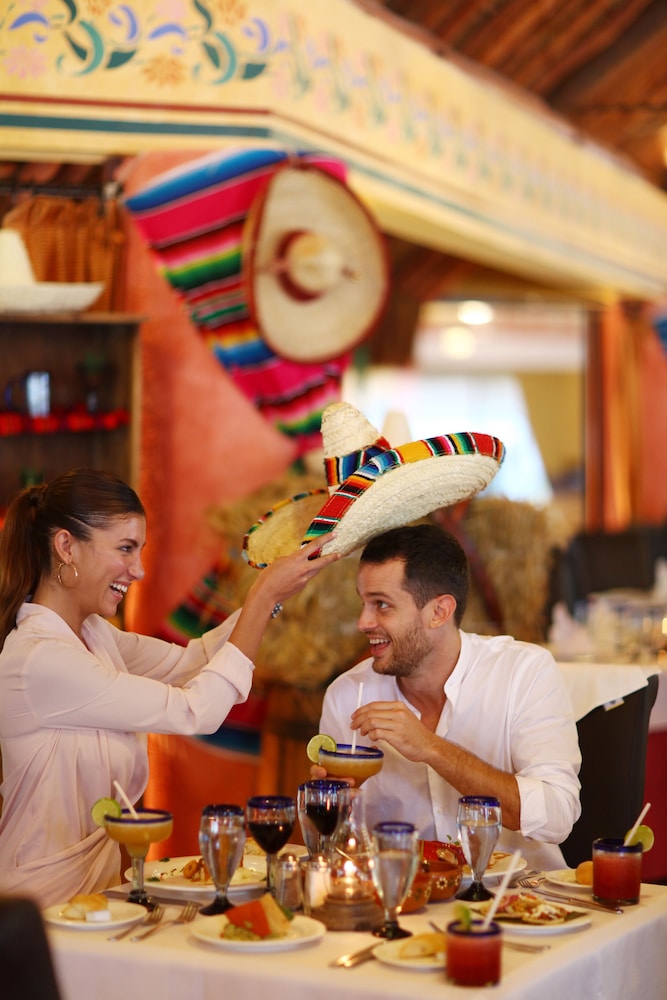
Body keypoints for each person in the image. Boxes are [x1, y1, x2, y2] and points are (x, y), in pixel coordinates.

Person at [0, 469, 338, 907]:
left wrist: (271, 596)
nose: (138, 570)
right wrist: (261, 598)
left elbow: (192, 662)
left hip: (98, 893)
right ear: (66, 546)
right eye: (125, 548)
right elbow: (196, 711)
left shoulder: (93, 635)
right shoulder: (41, 659)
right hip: (39, 901)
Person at [315, 523, 581, 872]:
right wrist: (327, 809)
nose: (363, 622)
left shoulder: (523, 672)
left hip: (521, 895)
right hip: (404, 895)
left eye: (382, 605)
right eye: (363, 603)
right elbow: (335, 850)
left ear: (439, 612)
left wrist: (432, 748)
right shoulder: (347, 694)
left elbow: (557, 817)